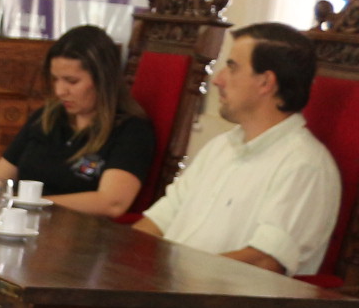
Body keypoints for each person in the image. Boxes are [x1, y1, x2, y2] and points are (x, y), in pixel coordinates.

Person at [135, 22, 341, 277]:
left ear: (265, 82)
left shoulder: (304, 166)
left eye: (232, 68)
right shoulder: (220, 146)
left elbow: (263, 262)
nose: (218, 79)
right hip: (166, 285)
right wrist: (120, 257)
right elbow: (161, 219)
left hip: (212, 297)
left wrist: (173, 275)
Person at [0, 24, 156, 216]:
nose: (59, 91)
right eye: (55, 80)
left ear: (103, 80)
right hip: (19, 220)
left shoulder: (131, 131)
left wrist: (30, 203)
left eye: (71, 81)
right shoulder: (45, 117)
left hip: (77, 230)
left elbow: (112, 203)